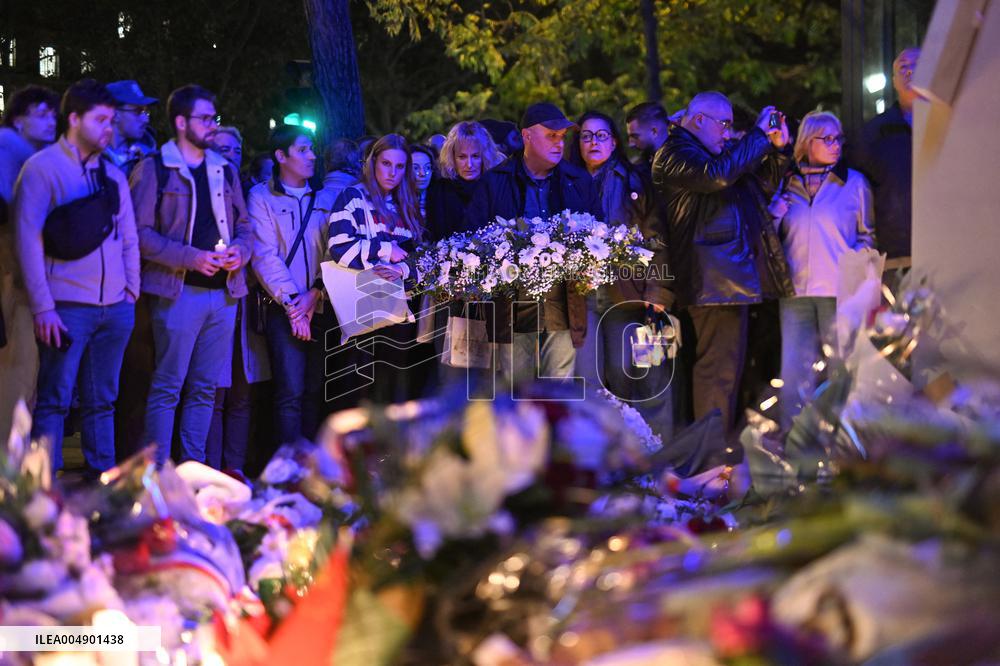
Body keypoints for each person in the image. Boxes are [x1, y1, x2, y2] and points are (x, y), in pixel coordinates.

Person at [13, 79, 140, 474]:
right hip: (66, 304)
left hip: (114, 305)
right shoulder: (42, 169)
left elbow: (128, 237)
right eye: (100, 120)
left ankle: (102, 484)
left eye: (111, 120)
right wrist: (43, 306)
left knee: (103, 399)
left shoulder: (111, 173)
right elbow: (27, 239)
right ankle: (47, 493)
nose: (108, 128)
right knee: (55, 399)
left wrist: (129, 291)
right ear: (74, 119)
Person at [652, 91, 793, 433]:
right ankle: (708, 457)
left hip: (728, 280)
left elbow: (759, 188)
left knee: (727, 368)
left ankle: (713, 453)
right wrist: (758, 135)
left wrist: (777, 149)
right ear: (699, 120)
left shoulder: (710, 154)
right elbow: (717, 176)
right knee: (716, 370)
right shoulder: (675, 153)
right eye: (724, 125)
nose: (728, 134)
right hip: (712, 282)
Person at [131, 84, 253, 465]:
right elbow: (138, 234)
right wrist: (189, 258)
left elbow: (246, 227)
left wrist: (240, 252)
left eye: (214, 118)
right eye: (205, 118)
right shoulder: (155, 168)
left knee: (205, 388)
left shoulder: (225, 171)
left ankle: (194, 471)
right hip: (178, 290)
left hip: (225, 293)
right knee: (168, 386)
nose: (212, 126)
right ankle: (159, 474)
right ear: (181, 122)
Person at [466, 102, 602, 388]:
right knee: (516, 386)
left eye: (562, 136)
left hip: (564, 298)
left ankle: (556, 433)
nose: (559, 143)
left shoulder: (578, 181)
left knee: (561, 387)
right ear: (527, 136)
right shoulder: (495, 181)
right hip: (512, 301)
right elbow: (472, 238)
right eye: (551, 135)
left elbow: (598, 231)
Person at [568, 110, 674, 438]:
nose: (593, 142)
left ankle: (656, 455)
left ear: (614, 142)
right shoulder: (567, 182)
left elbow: (659, 242)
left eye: (601, 135)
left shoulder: (634, 181)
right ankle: (605, 457)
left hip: (631, 294)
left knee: (644, 372)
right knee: (590, 379)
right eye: (587, 136)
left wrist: (658, 297)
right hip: (582, 297)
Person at [770, 111, 874, 427]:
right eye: (825, 138)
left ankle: (841, 437)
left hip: (838, 291)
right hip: (794, 290)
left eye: (837, 138)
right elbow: (770, 238)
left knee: (841, 366)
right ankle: (796, 438)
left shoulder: (854, 183)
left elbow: (867, 234)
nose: (834, 145)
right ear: (806, 142)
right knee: (794, 369)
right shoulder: (786, 183)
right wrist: (774, 215)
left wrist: (853, 263)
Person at [250, 125, 337, 445]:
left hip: (322, 305)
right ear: (280, 156)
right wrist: (293, 306)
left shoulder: (326, 197)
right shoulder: (261, 197)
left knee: (315, 390)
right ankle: (287, 471)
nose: (312, 155)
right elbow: (263, 255)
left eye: (312, 148)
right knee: (290, 392)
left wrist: (315, 293)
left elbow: (335, 250)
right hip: (283, 310)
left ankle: (313, 470)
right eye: (302, 150)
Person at [327, 134, 425, 404]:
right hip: (362, 305)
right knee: (360, 386)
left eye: (400, 166)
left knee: (392, 384)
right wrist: (385, 250)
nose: (392, 172)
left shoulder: (409, 204)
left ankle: (390, 444)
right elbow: (339, 247)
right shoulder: (353, 196)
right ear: (373, 163)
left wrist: (403, 269)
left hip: (400, 307)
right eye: (386, 164)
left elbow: (421, 256)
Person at [205, 124, 271, 471]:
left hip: (247, 299)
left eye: (236, 150)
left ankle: (236, 470)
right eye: (223, 150)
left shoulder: (250, 191)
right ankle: (212, 470)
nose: (231, 156)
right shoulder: (201, 189)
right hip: (212, 296)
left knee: (242, 391)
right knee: (214, 389)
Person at [0, 85, 59, 438]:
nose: (51, 120)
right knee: (15, 376)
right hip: (13, 278)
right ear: (19, 120)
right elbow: (15, 209)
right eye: (42, 114)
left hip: (18, 278)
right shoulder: (11, 145)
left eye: (54, 113)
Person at [852, 47, 920, 274]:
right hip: (895, 254)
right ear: (894, 80)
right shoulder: (876, 133)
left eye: (917, 65)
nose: (910, 72)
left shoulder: (951, 126)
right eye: (903, 67)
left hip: (946, 246)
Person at [104, 80, 158, 178]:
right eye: (138, 111)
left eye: (146, 112)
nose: (146, 119)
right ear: (114, 114)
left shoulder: (149, 155)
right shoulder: (90, 158)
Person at [625, 102, 671, 168]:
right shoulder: (640, 167)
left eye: (635, 136)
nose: (631, 144)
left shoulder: (682, 164)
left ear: (654, 131)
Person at [410, 144, 436, 220]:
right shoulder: (395, 204)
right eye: (415, 168)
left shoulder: (440, 201)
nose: (422, 173)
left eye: (427, 168)